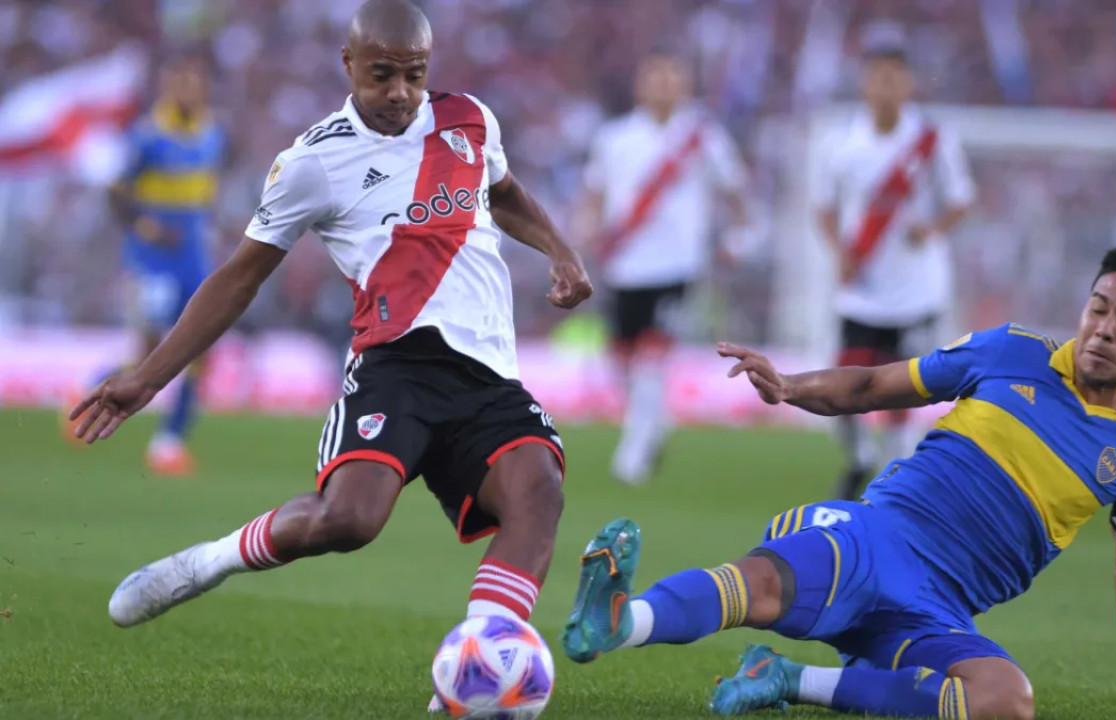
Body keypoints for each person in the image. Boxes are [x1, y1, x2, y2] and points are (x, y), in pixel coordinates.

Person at [70, 0, 592, 663]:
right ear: (347, 65)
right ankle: (210, 560)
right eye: (381, 75)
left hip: (489, 375)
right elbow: (239, 276)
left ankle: (478, 669)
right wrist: (147, 377)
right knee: (348, 521)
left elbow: (505, 191)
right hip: (395, 370)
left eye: (414, 74)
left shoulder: (469, 119)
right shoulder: (314, 161)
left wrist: (561, 250)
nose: (400, 92)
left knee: (539, 491)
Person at [561, 247, 1116, 719]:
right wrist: (789, 387)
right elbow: (871, 386)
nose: (1104, 328)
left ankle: (786, 679)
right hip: (880, 536)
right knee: (766, 585)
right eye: (1098, 307)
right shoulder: (1010, 352)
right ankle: (623, 621)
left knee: (1005, 701)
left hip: (939, 609)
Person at [816, 21, 975, 500]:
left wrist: (932, 228)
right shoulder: (841, 143)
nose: (885, 86)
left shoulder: (933, 141)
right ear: (864, 82)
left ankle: (894, 473)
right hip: (862, 289)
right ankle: (858, 457)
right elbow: (822, 207)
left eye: (894, 77)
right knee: (843, 385)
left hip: (916, 290)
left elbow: (962, 199)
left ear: (907, 84)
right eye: (876, 76)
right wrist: (839, 251)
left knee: (906, 387)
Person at [577, 49, 750, 485]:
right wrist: (582, 235)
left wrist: (736, 239)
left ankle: (634, 452)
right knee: (621, 360)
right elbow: (595, 196)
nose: (665, 84)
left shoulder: (703, 137)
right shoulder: (615, 138)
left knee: (653, 356)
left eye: (673, 75)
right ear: (641, 83)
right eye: (656, 75)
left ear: (686, 83)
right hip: (624, 264)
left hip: (677, 267)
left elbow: (736, 194)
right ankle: (653, 421)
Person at [67, 54, 225, 476]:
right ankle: (89, 391)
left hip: (194, 260)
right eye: (179, 84)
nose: (187, 92)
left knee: (199, 351)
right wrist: (143, 224)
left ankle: (169, 443)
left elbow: (205, 192)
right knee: (149, 354)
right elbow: (114, 192)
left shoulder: (211, 132)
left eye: (193, 83)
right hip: (153, 263)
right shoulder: (149, 136)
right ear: (168, 88)